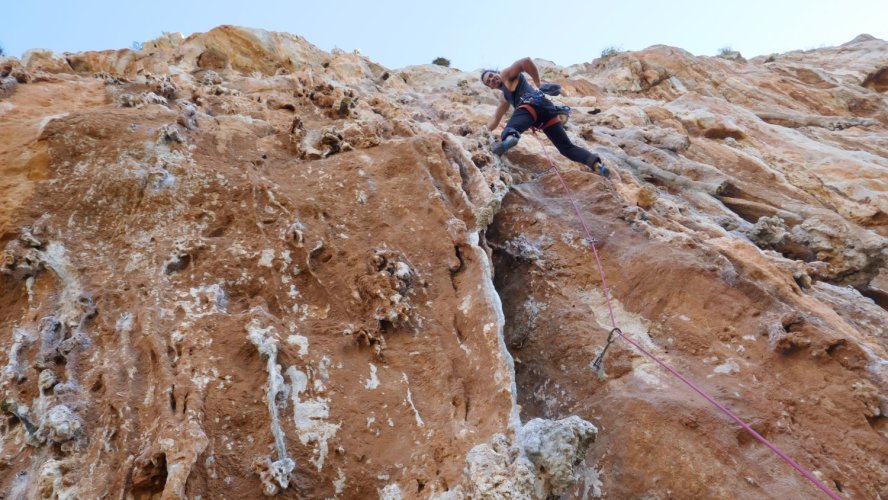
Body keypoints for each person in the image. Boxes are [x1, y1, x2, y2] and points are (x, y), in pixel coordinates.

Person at [482, 58, 609, 177]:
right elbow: (496, 118)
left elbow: (525, 62)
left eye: (491, 75)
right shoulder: (504, 97)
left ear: (497, 72)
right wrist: (483, 131)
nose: (492, 79)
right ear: (491, 87)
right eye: (488, 81)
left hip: (530, 107)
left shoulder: (506, 74)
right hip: (546, 112)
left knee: (511, 128)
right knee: (566, 148)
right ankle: (597, 165)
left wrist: (538, 83)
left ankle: (510, 138)